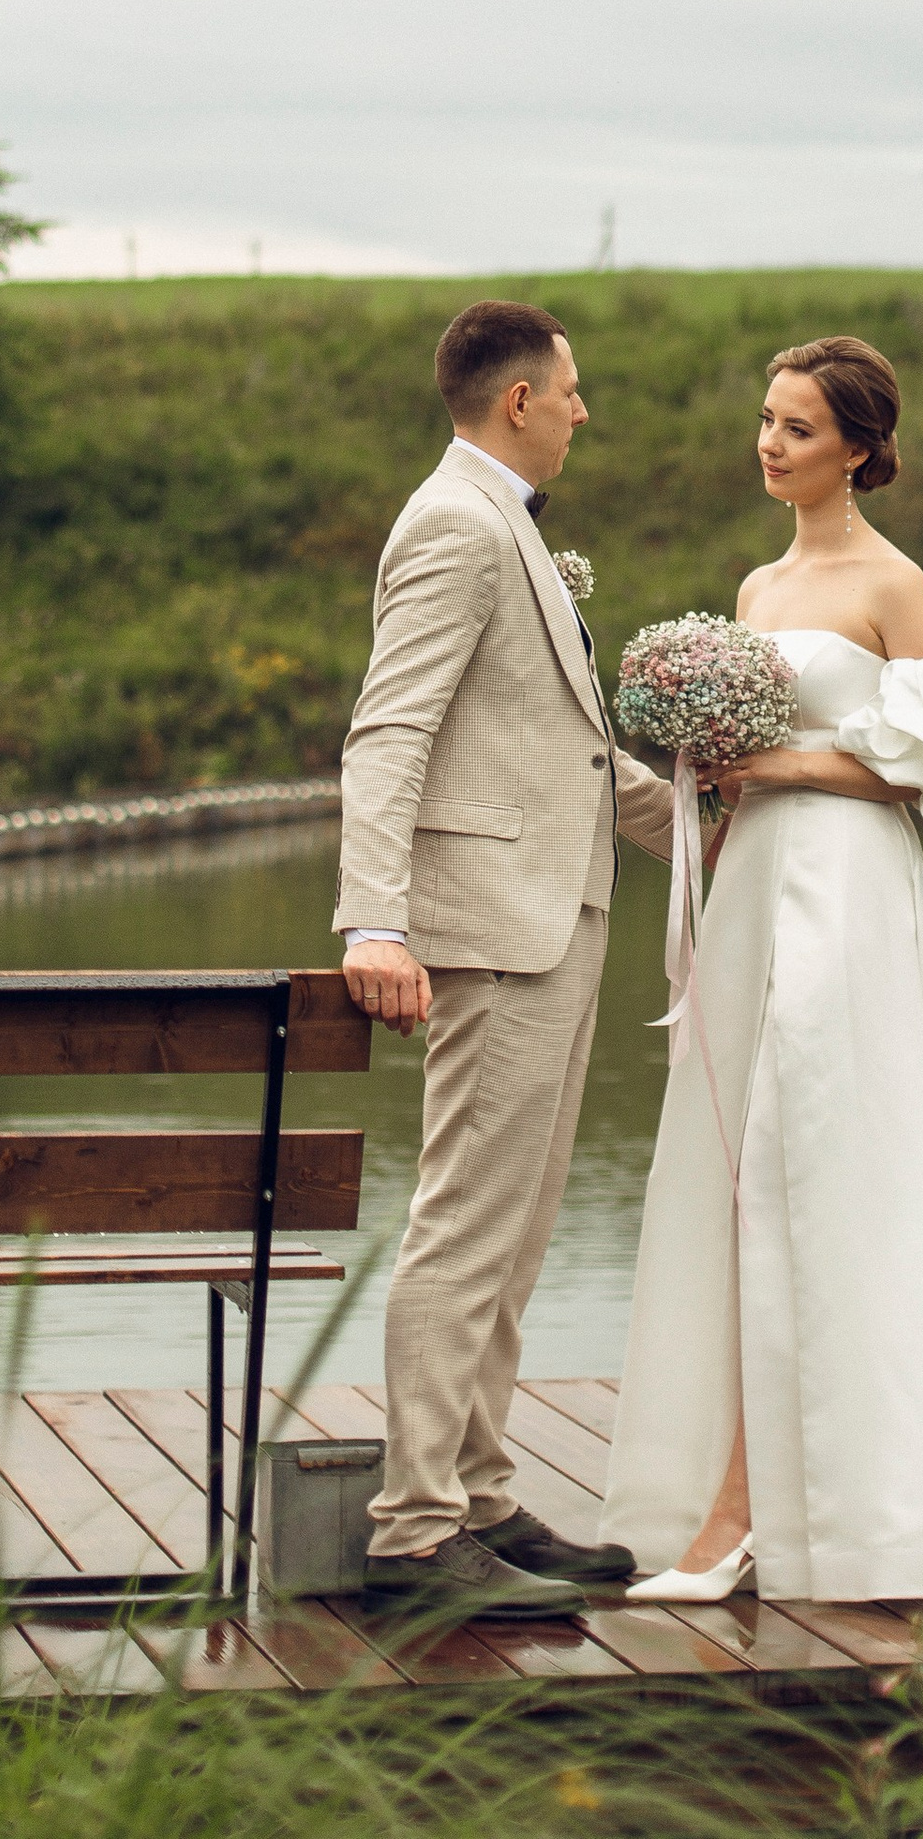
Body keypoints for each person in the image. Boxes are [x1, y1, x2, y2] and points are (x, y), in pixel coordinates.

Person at [600, 333, 923, 1607]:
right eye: (764, 420)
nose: (769, 443)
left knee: (835, 1175)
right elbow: (744, 761)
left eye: (796, 427)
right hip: (751, 889)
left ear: (856, 446)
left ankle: (827, 1513)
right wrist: (710, 793)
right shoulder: (750, 590)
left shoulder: (893, 585)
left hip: (848, 891)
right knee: (740, 1179)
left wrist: (781, 766)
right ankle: (736, 1508)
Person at [337, 297, 678, 1614]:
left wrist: (710, 825)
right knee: (466, 1226)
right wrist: (376, 921)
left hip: (559, 911)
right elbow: (389, 731)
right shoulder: (453, 525)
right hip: (486, 924)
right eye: (574, 390)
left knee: (517, 1231)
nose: (586, 410)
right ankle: (416, 1531)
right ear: (519, 400)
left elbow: (576, 756)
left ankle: (478, 1494)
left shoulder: (508, 531)